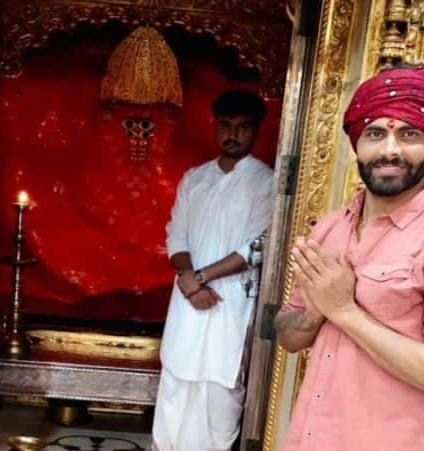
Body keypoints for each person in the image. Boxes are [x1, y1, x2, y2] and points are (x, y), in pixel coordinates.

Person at [275, 66, 424, 451]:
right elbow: (289, 335)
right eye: (376, 133)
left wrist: (346, 312)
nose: (390, 150)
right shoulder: (332, 228)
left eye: (409, 133)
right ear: (358, 143)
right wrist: (314, 316)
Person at [152, 90, 275, 451]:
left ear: (255, 132)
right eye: (226, 126)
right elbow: (177, 235)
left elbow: (257, 246)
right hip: (188, 301)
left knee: (220, 394)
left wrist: (201, 277)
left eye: (243, 128)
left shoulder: (265, 181)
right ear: (215, 126)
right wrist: (189, 282)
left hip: (231, 304)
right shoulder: (195, 178)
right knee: (177, 384)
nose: (233, 134)